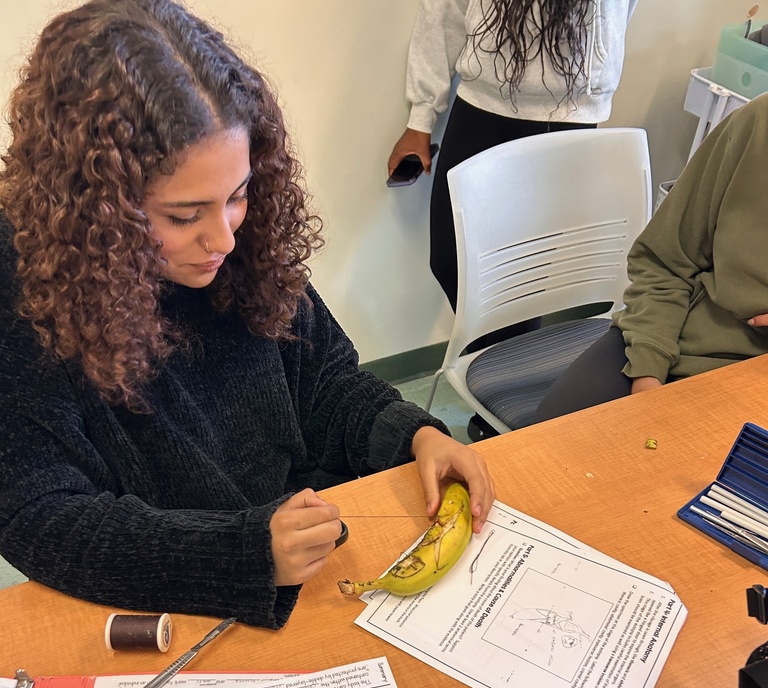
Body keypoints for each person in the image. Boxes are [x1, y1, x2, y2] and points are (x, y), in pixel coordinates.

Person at [0, 0, 494, 631]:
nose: (224, 239)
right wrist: (240, 552)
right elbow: (40, 518)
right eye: (184, 216)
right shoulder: (24, 288)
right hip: (170, 599)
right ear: (97, 207)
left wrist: (415, 435)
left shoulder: (243, 241)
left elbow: (323, 386)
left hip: (306, 552)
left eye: (236, 196)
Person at [527, 91, 768, 424]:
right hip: (677, 339)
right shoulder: (757, 124)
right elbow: (664, 262)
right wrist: (648, 371)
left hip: (750, 385)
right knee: (545, 448)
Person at [387, 0, 639, 312]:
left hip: (567, 115)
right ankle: (493, 355)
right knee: (449, 260)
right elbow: (446, 8)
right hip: (481, 101)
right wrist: (421, 118)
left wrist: (594, 64)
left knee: (522, 281)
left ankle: (503, 358)